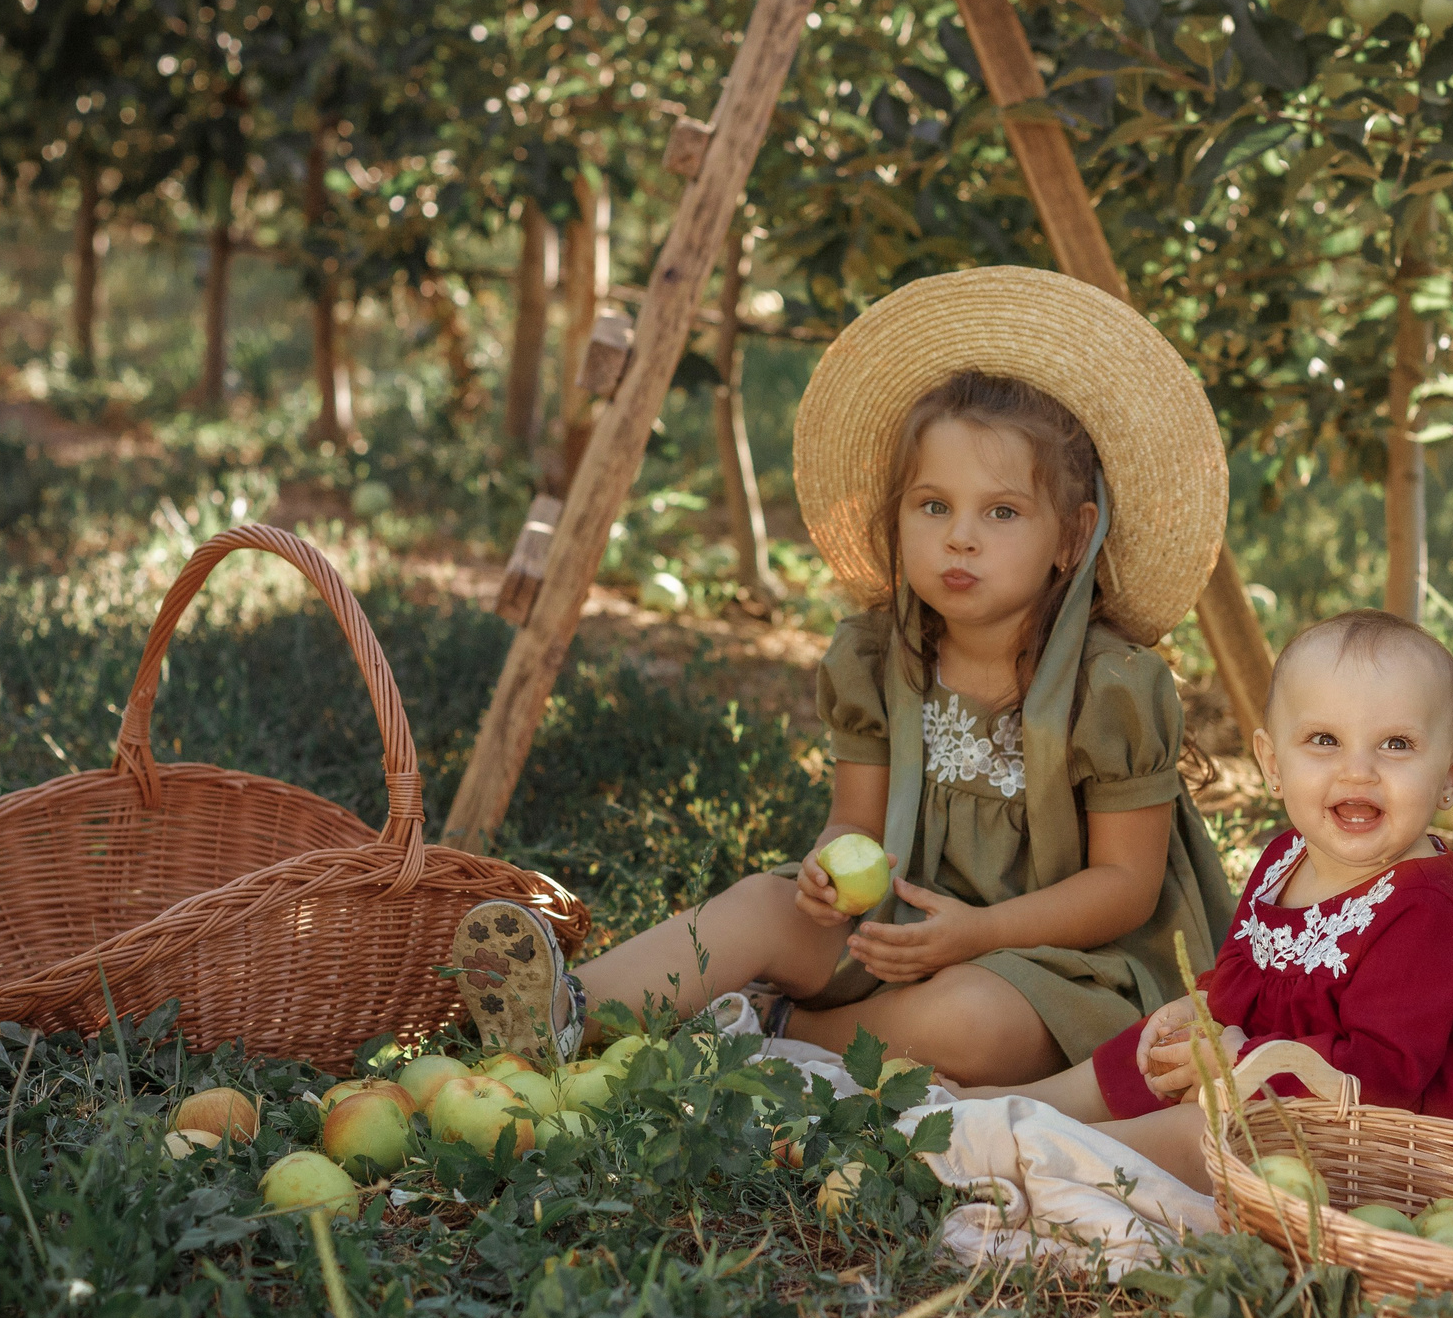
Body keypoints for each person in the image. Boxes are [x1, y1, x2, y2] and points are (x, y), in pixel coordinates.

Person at [447, 267, 1236, 1085]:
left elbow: (1126, 887)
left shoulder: (1110, 688)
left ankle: (770, 1023)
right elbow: (852, 821)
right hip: (896, 926)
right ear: (897, 514)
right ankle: (565, 1012)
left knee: (970, 1021)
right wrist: (828, 869)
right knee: (761, 903)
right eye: (933, 505)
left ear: (1072, 538)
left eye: (1001, 512)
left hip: (1053, 956)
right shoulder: (880, 656)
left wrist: (979, 931)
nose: (959, 537)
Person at [958, 609, 1453, 1189]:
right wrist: (1206, 1012)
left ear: (1451, 775)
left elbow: (1383, 1076)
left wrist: (1246, 1061)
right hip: (1284, 1074)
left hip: (1409, 1132)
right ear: (1272, 763)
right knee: (1156, 1052)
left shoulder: (1425, 912)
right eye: (1324, 740)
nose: (1358, 771)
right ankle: (1014, 1103)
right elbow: (1252, 975)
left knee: (1205, 1134)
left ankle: (1048, 1152)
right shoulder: (1285, 859)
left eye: (1396, 744)